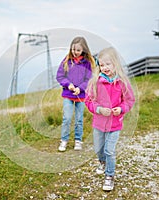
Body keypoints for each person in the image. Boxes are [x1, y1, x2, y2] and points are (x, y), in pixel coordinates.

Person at [85, 47, 135, 191]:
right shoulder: (95, 82)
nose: (105, 67)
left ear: (115, 64)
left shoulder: (122, 82)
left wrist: (121, 109)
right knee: (99, 149)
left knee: (109, 151)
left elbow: (129, 100)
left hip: (115, 124)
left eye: (108, 64)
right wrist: (99, 109)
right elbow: (88, 101)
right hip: (99, 124)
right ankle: (102, 162)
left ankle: (109, 176)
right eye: (102, 64)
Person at [56, 36, 95, 152]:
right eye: (73, 50)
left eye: (78, 50)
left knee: (79, 119)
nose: (75, 52)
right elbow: (60, 76)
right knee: (67, 118)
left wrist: (81, 88)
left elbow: (89, 79)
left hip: (81, 96)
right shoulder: (66, 61)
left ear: (83, 50)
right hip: (68, 94)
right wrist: (68, 85)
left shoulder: (87, 63)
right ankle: (64, 140)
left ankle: (78, 141)